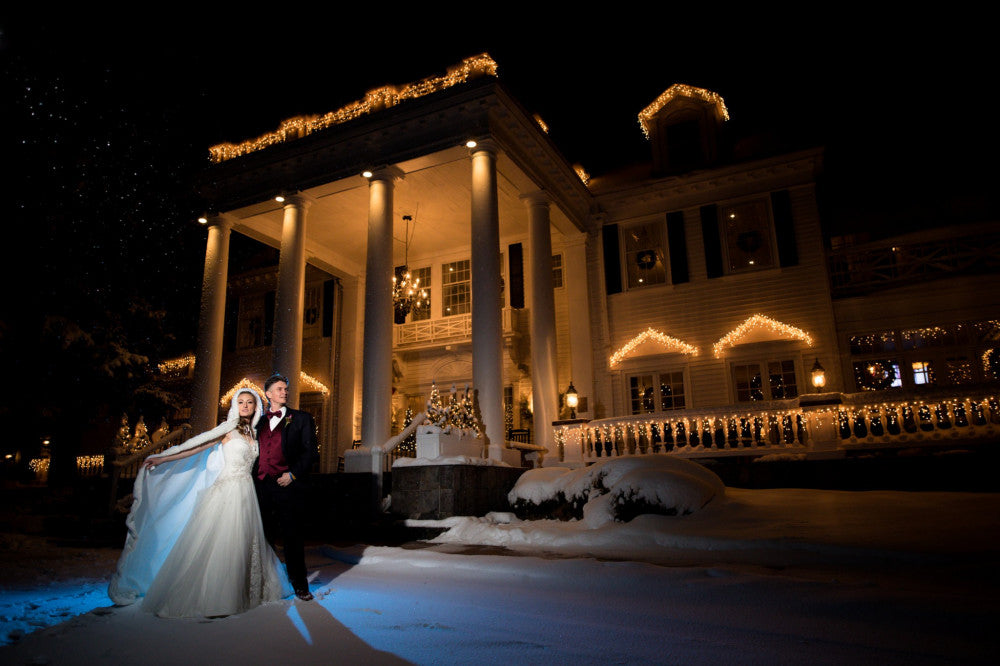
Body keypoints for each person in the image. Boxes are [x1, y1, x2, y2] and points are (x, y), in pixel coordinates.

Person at [108, 388, 293, 617]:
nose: (245, 406)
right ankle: (215, 596)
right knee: (220, 541)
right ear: (235, 405)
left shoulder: (255, 434)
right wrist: (165, 457)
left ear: (256, 407)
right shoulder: (227, 429)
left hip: (247, 492)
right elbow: (196, 445)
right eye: (241, 402)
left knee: (244, 541)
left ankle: (243, 591)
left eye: (249, 402)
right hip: (226, 491)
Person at [255, 372, 318, 601]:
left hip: (287, 486)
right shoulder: (258, 422)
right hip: (262, 486)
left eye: (285, 388)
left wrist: (292, 475)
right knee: (262, 536)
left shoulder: (301, 419)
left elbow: (310, 453)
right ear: (269, 394)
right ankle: (266, 583)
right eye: (280, 389)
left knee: (292, 537)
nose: (285, 392)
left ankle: (300, 584)